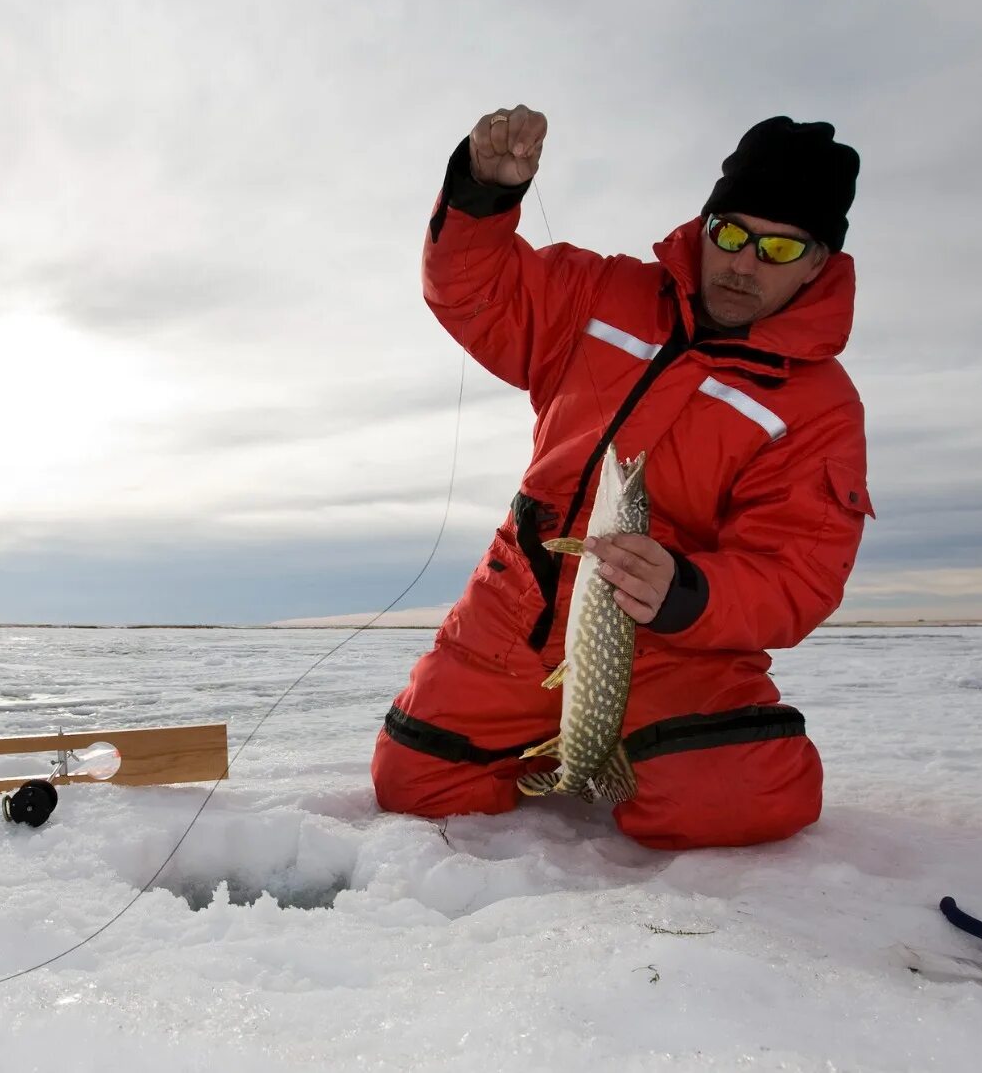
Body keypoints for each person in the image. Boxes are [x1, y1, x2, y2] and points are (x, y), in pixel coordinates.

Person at [371, 108, 873, 850]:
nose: (743, 263)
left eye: (778, 247)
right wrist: (483, 193)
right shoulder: (599, 293)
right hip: (519, 606)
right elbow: (472, 291)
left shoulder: (819, 408)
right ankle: (557, 746)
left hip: (674, 647)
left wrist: (686, 592)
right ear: (703, 227)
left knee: (745, 796)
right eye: (729, 234)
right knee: (413, 783)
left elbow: (797, 575)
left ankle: (628, 751)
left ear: (817, 262)